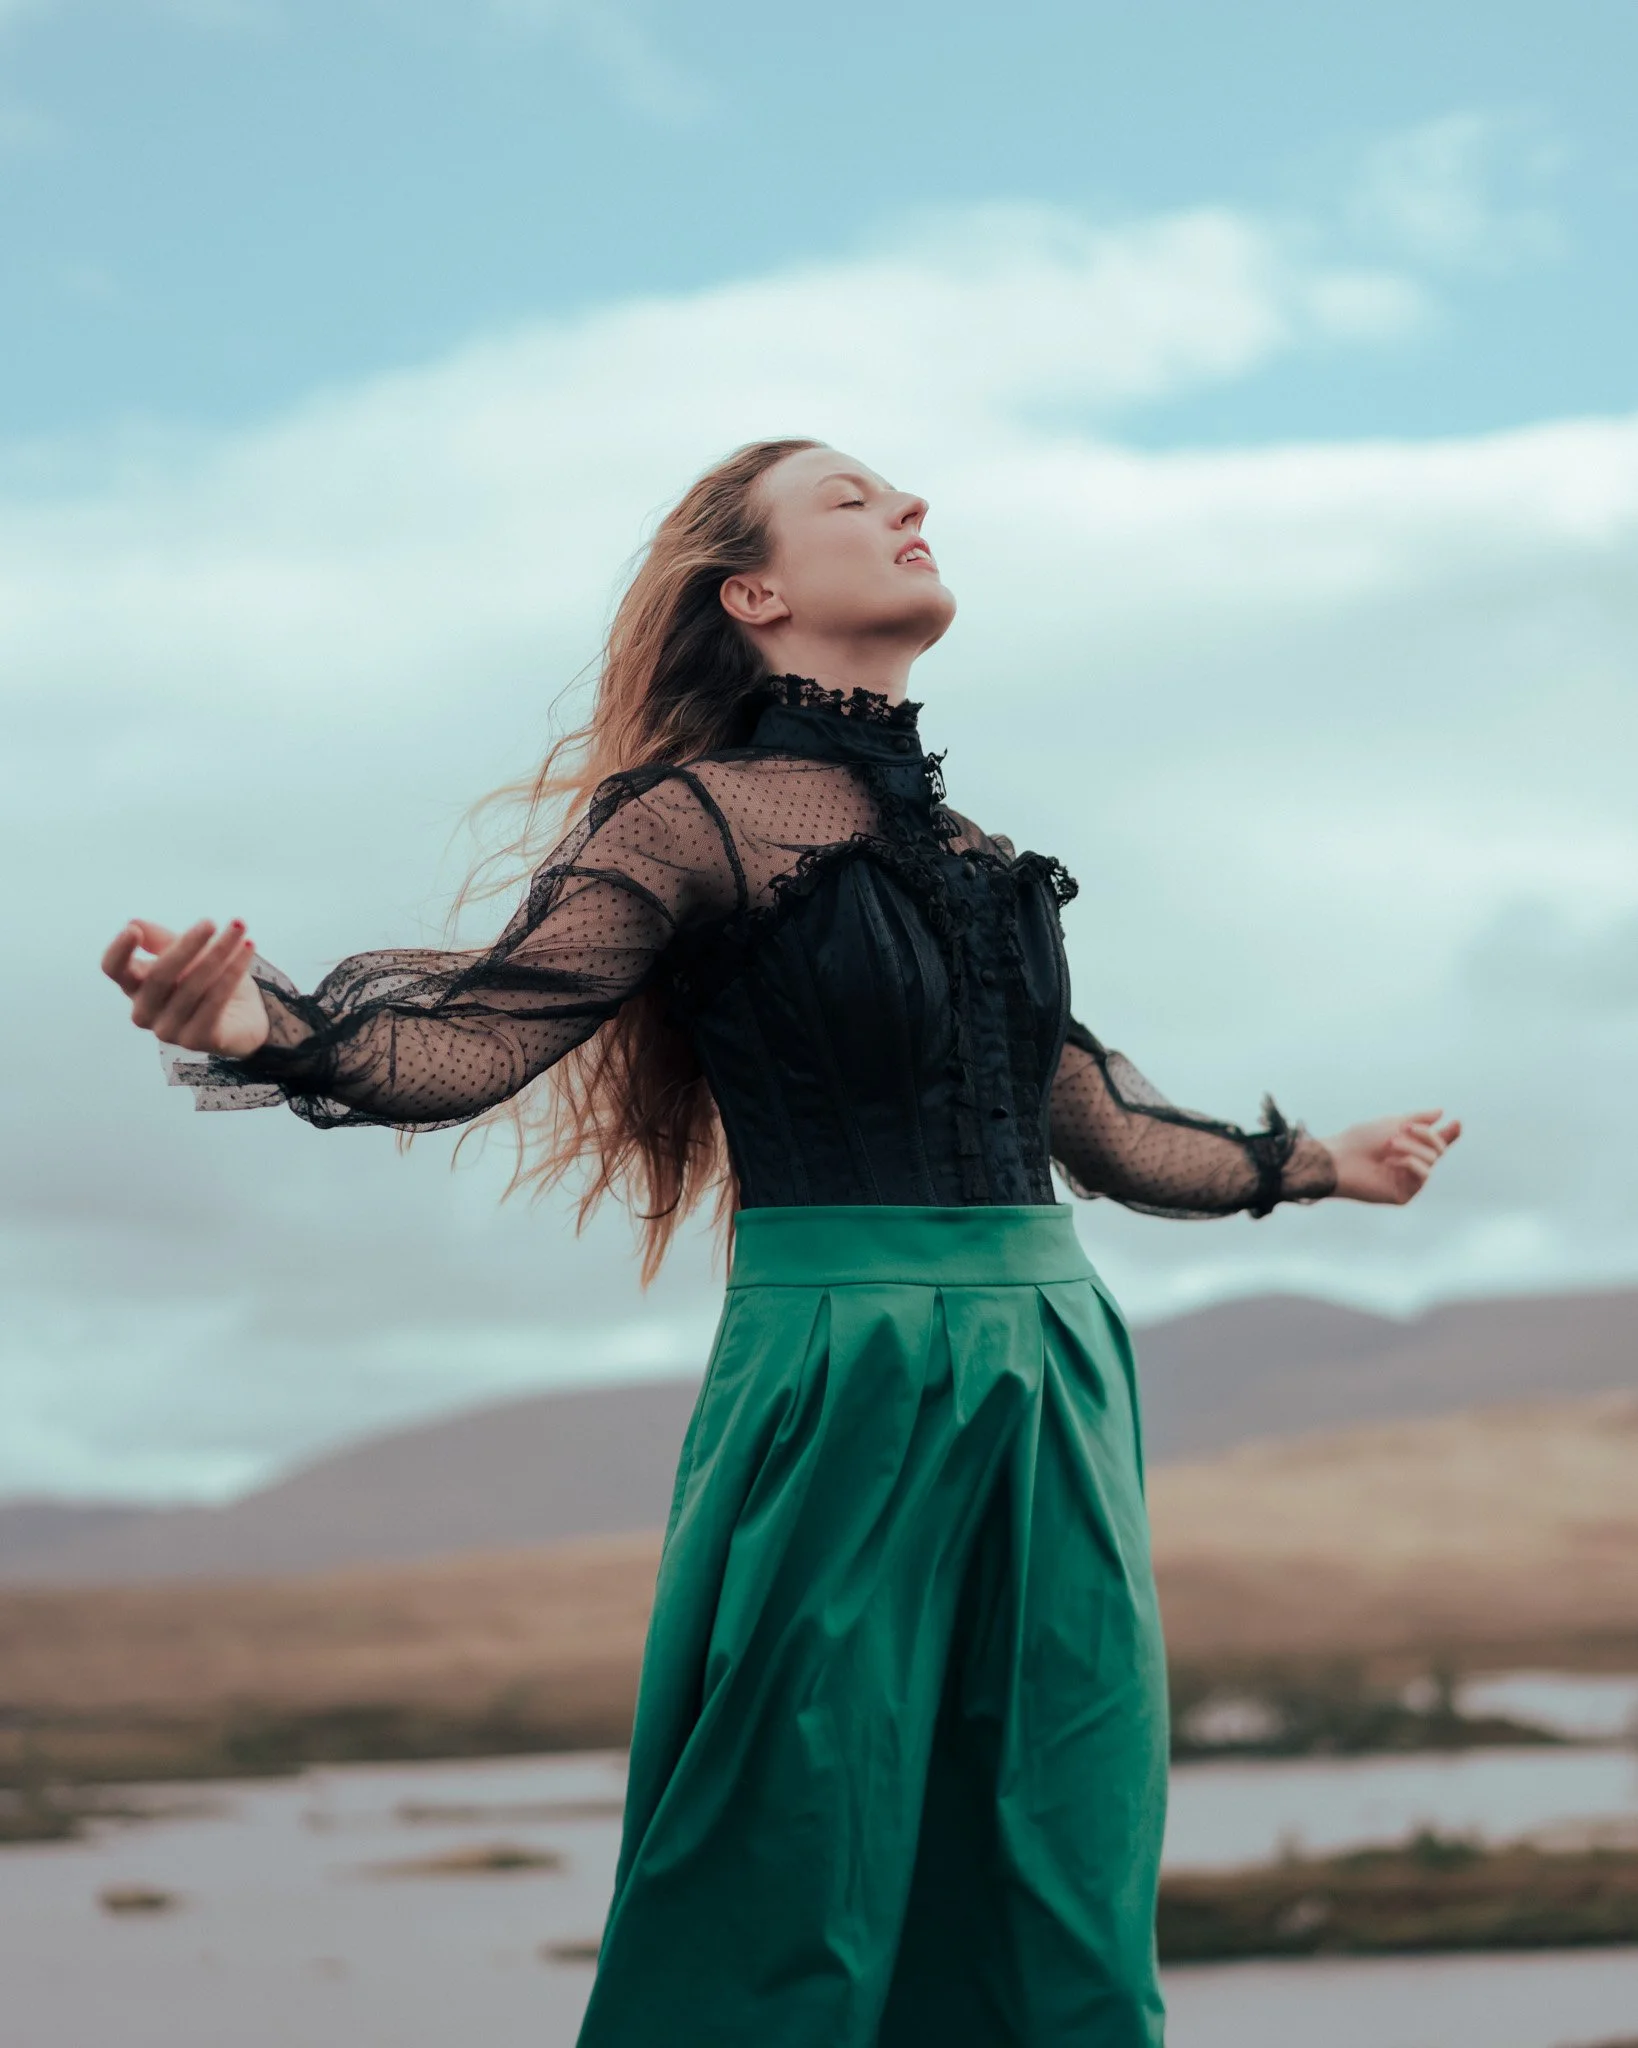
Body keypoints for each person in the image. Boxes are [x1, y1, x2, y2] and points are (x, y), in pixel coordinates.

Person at [102, 437, 1459, 2045]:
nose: (910, 510)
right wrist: (256, 1021)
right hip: (840, 1368)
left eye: (901, 495)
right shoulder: (691, 824)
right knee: (790, 1853)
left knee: (1064, 1846)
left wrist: (1317, 1162)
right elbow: (467, 1041)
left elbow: (1089, 1118)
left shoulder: (979, 861)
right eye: (853, 500)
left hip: (1055, 1371)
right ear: (752, 594)